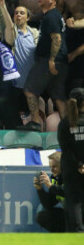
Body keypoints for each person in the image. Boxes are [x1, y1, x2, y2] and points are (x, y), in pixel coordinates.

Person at [22, 0, 69, 131]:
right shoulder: (53, 15)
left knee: (30, 89)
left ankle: (35, 122)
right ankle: (70, 128)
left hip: (50, 61)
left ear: (53, 0)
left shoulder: (52, 16)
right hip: (60, 62)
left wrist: (51, 59)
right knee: (58, 97)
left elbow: (56, 38)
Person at [57, 88, 84, 231]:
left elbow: (66, 149)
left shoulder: (64, 124)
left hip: (71, 171)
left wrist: (79, 165)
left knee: (74, 205)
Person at [34, 151, 65, 233]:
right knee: (43, 216)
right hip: (70, 213)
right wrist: (40, 189)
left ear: (63, 166)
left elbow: (68, 192)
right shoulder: (56, 179)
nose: (51, 170)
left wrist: (50, 186)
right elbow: (49, 204)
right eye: (50, 167)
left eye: (54, 166)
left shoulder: (71, 176)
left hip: (79, 213)